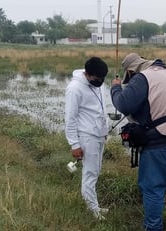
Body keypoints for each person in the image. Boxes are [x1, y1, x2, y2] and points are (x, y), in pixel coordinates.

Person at [110, 53, 166, 231]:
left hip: (162, 141)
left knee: (153, 187)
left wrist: (116, 88)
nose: (129, 81)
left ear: (131, 71)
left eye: (128, 78)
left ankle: (153, 227)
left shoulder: (142, 77)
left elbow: (123, 105)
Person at [64, 57, 109, 220]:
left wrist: (105, 130)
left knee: (96, 171)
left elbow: (100, 109)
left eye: (103, 78)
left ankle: (94, 205)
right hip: (86, 137)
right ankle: (92, 210)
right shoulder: (75, 88)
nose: (101, 82)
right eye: (97, 79)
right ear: (88, 74)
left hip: (99, 135)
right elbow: (70, 118)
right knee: (90, 173)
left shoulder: (99, 85)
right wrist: (74, 144)